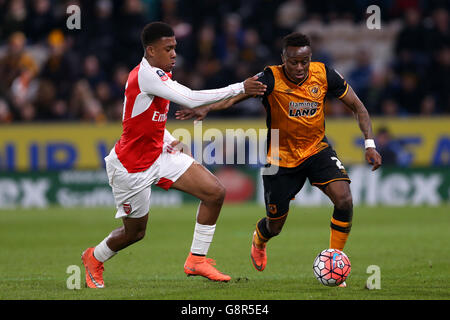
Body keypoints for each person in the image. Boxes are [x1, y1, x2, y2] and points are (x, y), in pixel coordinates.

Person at [176, 32, 382, 287]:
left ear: (310, 59)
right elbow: (238, 95)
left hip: (317, 150)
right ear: (283, 59)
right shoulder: (270, 78)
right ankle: (259, 240)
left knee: (344, 198)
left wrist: (370, 144)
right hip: (281, 160)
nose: (299, 67)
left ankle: (335, 259)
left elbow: (358, 107)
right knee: (275, 226)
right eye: (293, 62)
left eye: (304, 62)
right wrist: (208, 108)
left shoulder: (325, 74)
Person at [81, 21, 267, 288]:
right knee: (135, 233)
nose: (174, 54)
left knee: (215, 192)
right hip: (130, 168)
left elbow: (146, 119)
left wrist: (169, 139)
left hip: (160, 154)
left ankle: (196, 259)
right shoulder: (145, 75)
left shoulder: (159, 76)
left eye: (175, 48)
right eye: (168, 49)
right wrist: (240, 87)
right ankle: (94, 257)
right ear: (151, 50)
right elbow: (191, 98)